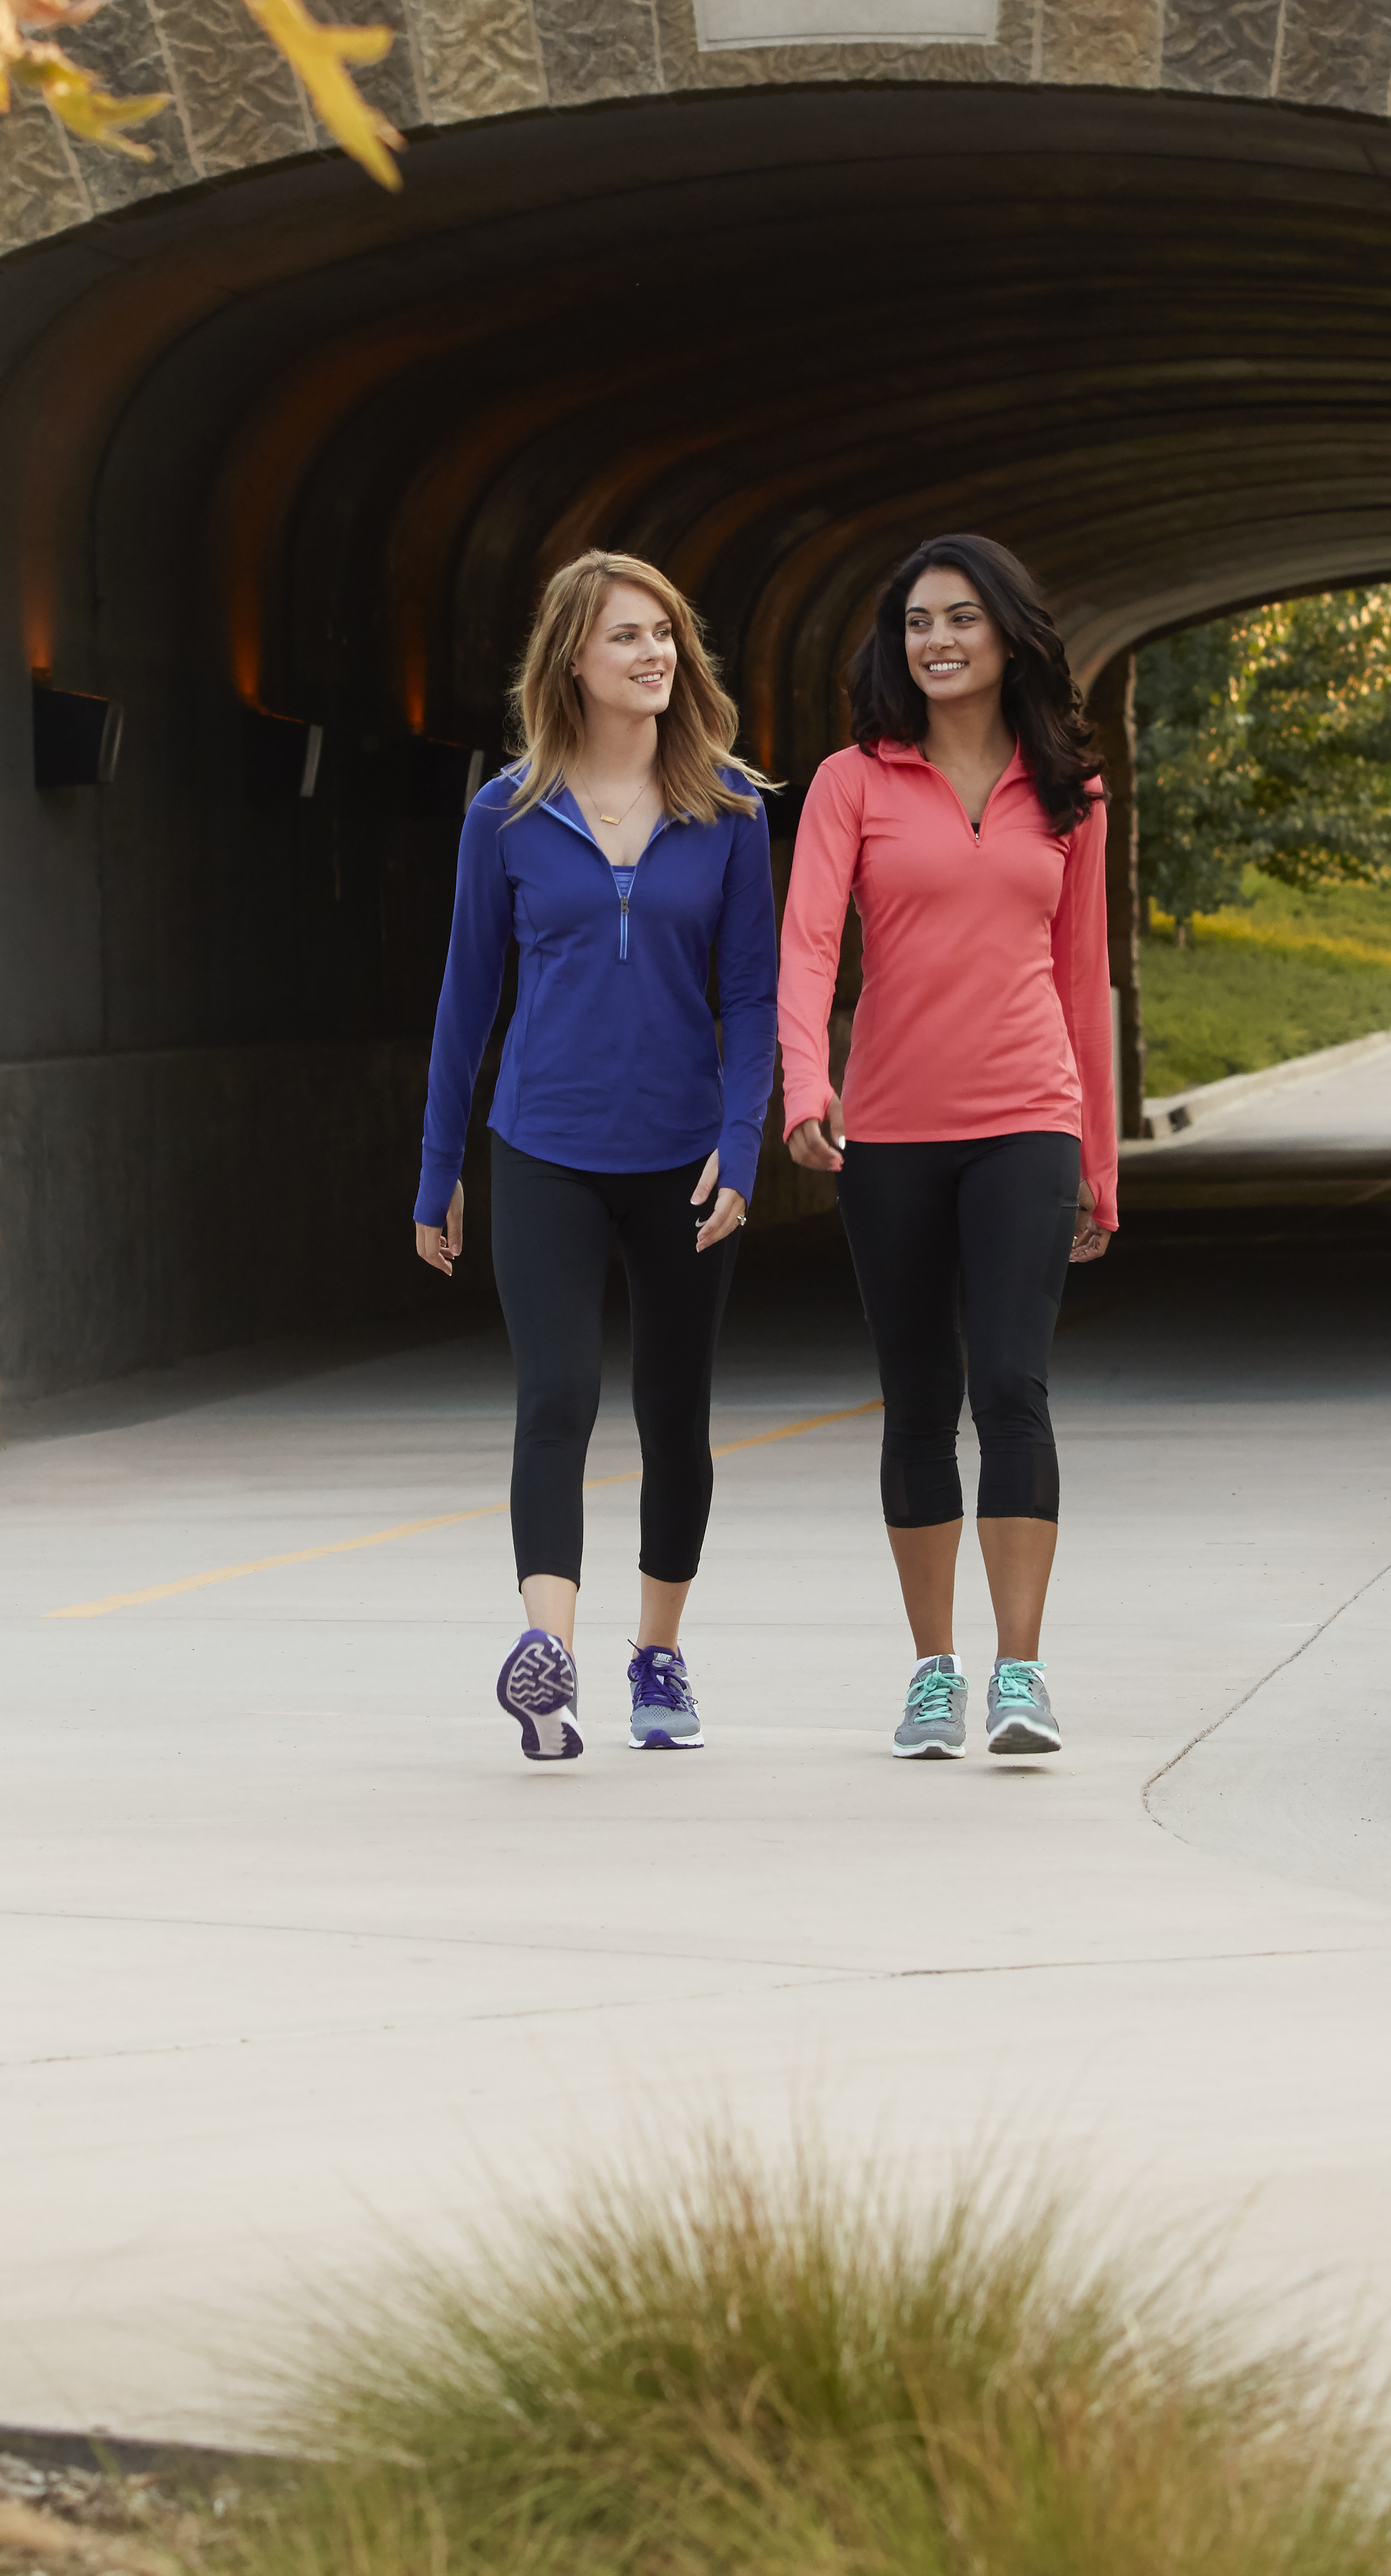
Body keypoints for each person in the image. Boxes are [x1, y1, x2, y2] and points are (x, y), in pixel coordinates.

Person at [414, 551, 777, 1764]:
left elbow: (752, 997)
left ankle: (658, 1656)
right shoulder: (507, 815)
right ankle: (549, 1661)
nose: (655, 655)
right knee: (557, 1396)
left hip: (681, 1158)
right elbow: (468, 997)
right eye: (628, 637)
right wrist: (438, 1168)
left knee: (676, 1418)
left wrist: (740, 1148)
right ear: (574, 656)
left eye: (666, 635)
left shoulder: (729, 810)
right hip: (545, 1146)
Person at [775, 531, 1116, 1762]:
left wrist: (1100, 1156)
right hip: (895, 1132)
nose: (938, 640)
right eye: (918, 622)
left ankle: (1022, 1673)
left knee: (1011, 1388)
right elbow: (809, 944)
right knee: (918, 1401)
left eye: (961, 618)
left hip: (1028, 1114)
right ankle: (935, 1674)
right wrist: (806, 1079)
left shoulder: (1069, 789)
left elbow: (1086, 980)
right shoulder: (850, 784)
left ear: (1007, 632)